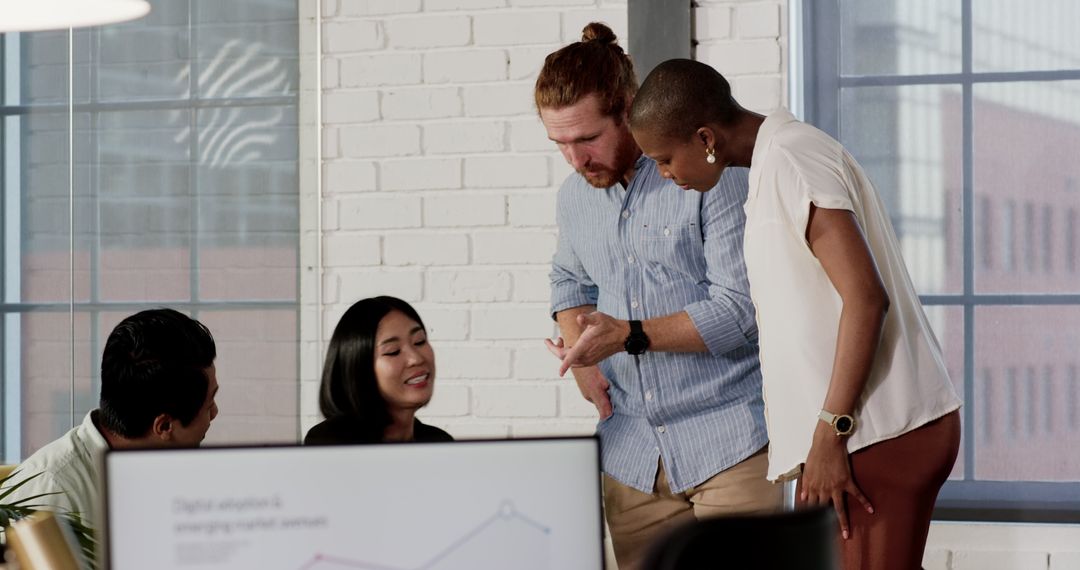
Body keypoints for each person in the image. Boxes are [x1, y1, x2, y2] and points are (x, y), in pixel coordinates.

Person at [619, 58, 963, 569]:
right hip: (854, 433)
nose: (665, 176)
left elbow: (866, 299)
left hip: (876, 431)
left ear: (705, 137)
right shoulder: (773, 164)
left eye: (665, 159)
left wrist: (828, 434)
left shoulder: (792, 158)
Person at [537, 24, 781, 570]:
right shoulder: (575, 198)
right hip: (631, 458)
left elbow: (741, 312)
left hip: (731, 447)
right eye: (560, 145)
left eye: (587, 138)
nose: (576, 160)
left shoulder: (709, 172)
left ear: (626, 107)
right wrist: (582, 354)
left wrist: (627, 335)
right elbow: (569, 280)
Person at [6, 308, 220, 529]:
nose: (215, 413)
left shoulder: (166, 471)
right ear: (164, 426)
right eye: (209, 404)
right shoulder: (47, 496)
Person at [305, 296, 452, 445]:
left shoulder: (439, 442)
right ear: (360, 369)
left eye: (419, 341)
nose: (416, 359)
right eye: (393, 351)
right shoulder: (332, 443)